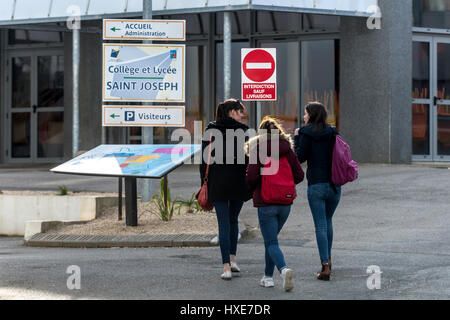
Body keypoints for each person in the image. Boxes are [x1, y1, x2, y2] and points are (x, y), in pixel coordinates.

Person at [245, 117, 304, 291]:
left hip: (266, 202)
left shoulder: (258, 150)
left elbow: (251, 177)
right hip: (285, 202)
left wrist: (253, 187)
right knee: (271, 241)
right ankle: (267, 277)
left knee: (271, 241)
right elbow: (300, 175)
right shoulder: (288, 150)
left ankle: (283, 269)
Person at [200, 98, 252, 280]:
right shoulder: (244, 131)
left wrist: (203, 183)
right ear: (231, 112)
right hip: (238, 183)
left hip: (218, 183)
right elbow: (249, 161)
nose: (242, 115)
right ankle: (233, 259)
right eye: (240, 112)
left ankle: (226, 268)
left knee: (223, 223)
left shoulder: (210, 130)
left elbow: (204, 161)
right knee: (233, 220)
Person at [294, 102, 340, 281]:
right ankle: (328, 259)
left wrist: (297, 138)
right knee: (327, 221)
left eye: (305, 114)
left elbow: (299, 157)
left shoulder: (305, 133)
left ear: (311, 115)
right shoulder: (333, 132)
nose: (304, 117)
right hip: (335, 186)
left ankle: (325, 266)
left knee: (320, 225)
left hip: (316, 186)